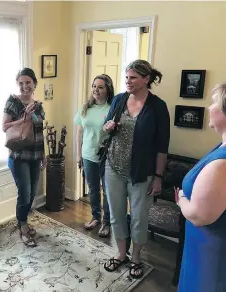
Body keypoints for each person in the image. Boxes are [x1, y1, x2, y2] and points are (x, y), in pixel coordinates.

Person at [103, 60, 170, 278]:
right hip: (113, 166)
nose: (127, 81)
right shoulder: (119, 99)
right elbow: (106, 125)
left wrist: (158, 176)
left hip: (142, 172)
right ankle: (121, 253)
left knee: (139, 217)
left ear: (146, 79)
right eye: (126, 77)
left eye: (132, 77)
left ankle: (137, 257)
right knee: (116, 214)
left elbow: (162, 146)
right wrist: (109, 126)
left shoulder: (158, 107)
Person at [176, 83, 226, 292]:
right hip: (203, 244)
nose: (208, 108)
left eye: (214, 102)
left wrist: (182, 200)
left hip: (210, 252)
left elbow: (199, 215)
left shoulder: (222, 164)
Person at [2, 68, 46, 247]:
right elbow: (4, 126)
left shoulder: (39, 105)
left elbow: (39, 132)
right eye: (21, 83)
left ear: (34, 83)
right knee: (24, 193)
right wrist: (24, 117)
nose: (24, 86)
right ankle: (23, 226)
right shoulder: (13, 102)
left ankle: (22, 221)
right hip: (19, 156)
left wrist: (44, 155)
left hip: (35, 155)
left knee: (32, 193)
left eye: (28, 82)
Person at [74, 74, 114, 237]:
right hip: (88, 155)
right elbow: (79, 132)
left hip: (107, 156)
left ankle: (107, 222)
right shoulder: (85, 107)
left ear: (107, 89)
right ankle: (96, 217)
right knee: (93, 189)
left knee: (108, 190)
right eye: (94, 86)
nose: (96, 90)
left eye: (100, 87)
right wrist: (78, 155)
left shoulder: (112, 108)